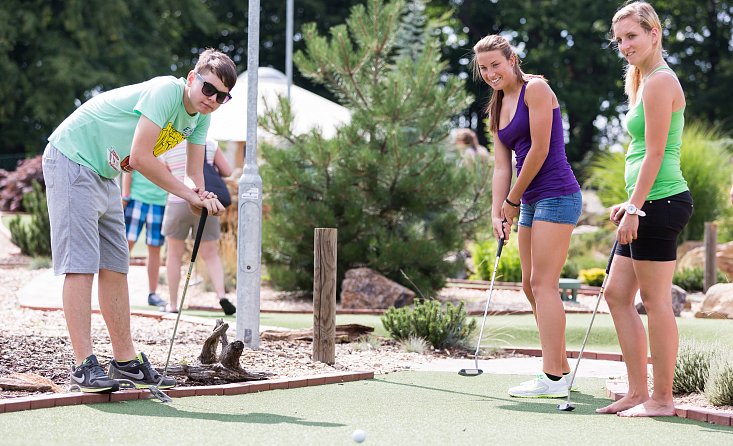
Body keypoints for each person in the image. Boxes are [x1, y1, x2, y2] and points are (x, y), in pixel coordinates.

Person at [41, 49, 236, 393]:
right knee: (81, 265)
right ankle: (84, 365)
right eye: (208, 89)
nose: (213, 100)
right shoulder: (165, 91)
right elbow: (144, 158)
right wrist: (189, 195)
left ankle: (125, 362)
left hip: (105, 173)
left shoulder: (200, 118)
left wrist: (199, 196)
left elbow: (192, 174)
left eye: (222, 96)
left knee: (116, 265)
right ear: (193, 78)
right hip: (72, 156)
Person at [472, 34, 582, 398]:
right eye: (483, 67)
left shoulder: (536, 89)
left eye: (495, 65)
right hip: (530, 199)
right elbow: (501, 166)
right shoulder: (495, 107)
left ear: (512, 59)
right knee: (528, 286)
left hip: (557, 194)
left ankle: (551, 378)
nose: (490, 73)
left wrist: (513, 201)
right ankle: (561, 369)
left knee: (543, 284)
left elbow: (539, 150)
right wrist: (496, 210)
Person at [597, 1, 692, 417]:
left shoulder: (659, 82)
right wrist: (631, 201)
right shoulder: (643, 80)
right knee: (616, 294)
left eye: (631, 36)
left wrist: (635, 207)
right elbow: (643, 152)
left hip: (661, 202)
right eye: (618, 40)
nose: (624, 46)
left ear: (654, 33)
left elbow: (655, 153)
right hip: (645, 202)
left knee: (654, 301)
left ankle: (662, 400)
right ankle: (637, 392)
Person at [161, 139, 236, 315]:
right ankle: (222, 296)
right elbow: (228, 171)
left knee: (174, 254)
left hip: (177, 201)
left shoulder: (168, 144)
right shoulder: (209, 143)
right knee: (210, 254)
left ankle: (173, 304)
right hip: (205, 202)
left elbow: (165, 174)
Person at [122, 169, 169, 308]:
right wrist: (125, 195)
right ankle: (116, 287)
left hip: (160, 202)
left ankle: (152, 293)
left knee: (155, 248)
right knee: (125, 245)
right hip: (136, 199)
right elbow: (128, 167)